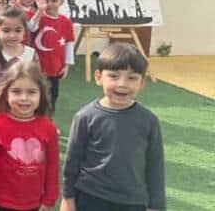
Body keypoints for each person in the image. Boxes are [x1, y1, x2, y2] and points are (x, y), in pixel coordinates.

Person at [62, 43, 165, 211]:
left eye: (132, 78)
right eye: (114, 76)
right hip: (91, 198)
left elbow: (155, 166)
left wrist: (156, 206)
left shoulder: (149, 120)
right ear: (98, 77)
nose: (122, 84)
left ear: (142, 82)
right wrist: (68, 198)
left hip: (132, 201)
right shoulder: (85, 116)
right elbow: (72, 163)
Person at [0, 61, 59, 211]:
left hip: (34, 204)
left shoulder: (48, 128)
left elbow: (52, 167)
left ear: (41, 94)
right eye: (16, 91)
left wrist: (49, 200)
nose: (24, 98)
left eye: (31, 92)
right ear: (6, 94)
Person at [35, 0, 76, 108]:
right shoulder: (38, 17)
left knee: (52, 96)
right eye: (46, 0)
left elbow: (69, 43)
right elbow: (31, 27)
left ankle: (49, 122)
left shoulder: (66, 21)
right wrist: (40, 10)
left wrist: (67, 65)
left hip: (55, 67)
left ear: (61, 1)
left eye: (54, 0)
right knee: (37, 95)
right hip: (37, 66)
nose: (50, 4)